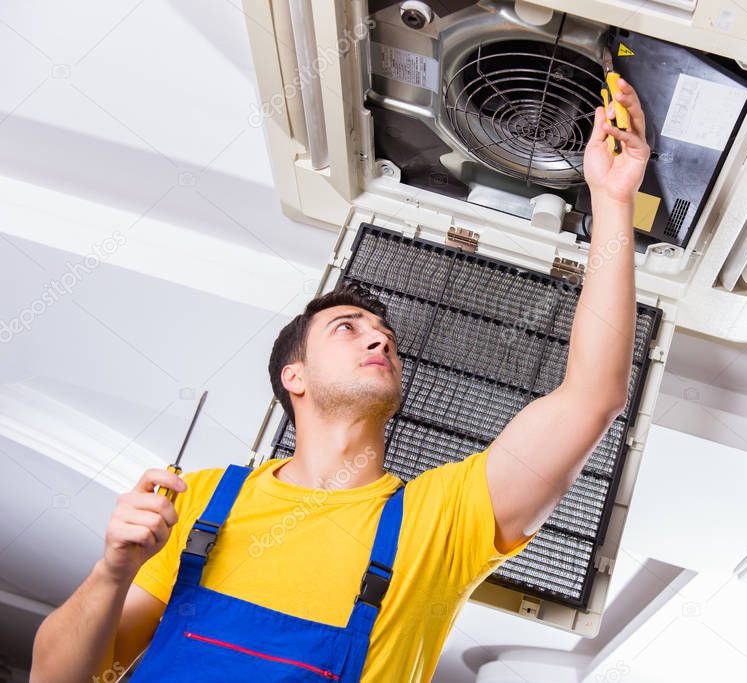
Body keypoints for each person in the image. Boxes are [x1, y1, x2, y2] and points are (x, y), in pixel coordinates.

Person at [30, 80, 650, 683]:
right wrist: (112, 572)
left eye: (385, 335)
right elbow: (58, 677)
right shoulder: (197, 500)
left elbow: (593, 396)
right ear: (292, 376)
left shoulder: (441, 522)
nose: (381, 337)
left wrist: (613, 200)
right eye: (348, 329)